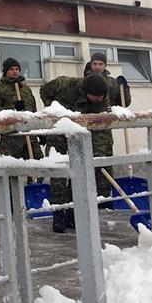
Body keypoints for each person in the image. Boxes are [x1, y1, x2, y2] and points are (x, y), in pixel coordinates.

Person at [40, 73, 111, 234]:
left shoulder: (102, 99)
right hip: (58, 132)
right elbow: (44, 91)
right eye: (95, 97)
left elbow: (101, 129)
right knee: (59, 175)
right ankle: (58, 214)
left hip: (78, 134)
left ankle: (72, 214)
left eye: (101, 97)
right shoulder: (65, 84)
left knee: (78, 174)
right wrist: (54, 111)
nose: (98, 100)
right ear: (86, 91)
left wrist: (98, 156)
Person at [0, 57, 44, 161]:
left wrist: (39, 131)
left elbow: (33, 111)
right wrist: (13, 109)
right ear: (6, 71)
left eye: (17, 69)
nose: (15, 71)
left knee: (39, 166)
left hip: (29, 135)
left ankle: (35, 178)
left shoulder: (25, 89)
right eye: (11, 69)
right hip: (11, 138)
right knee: (12, 170)